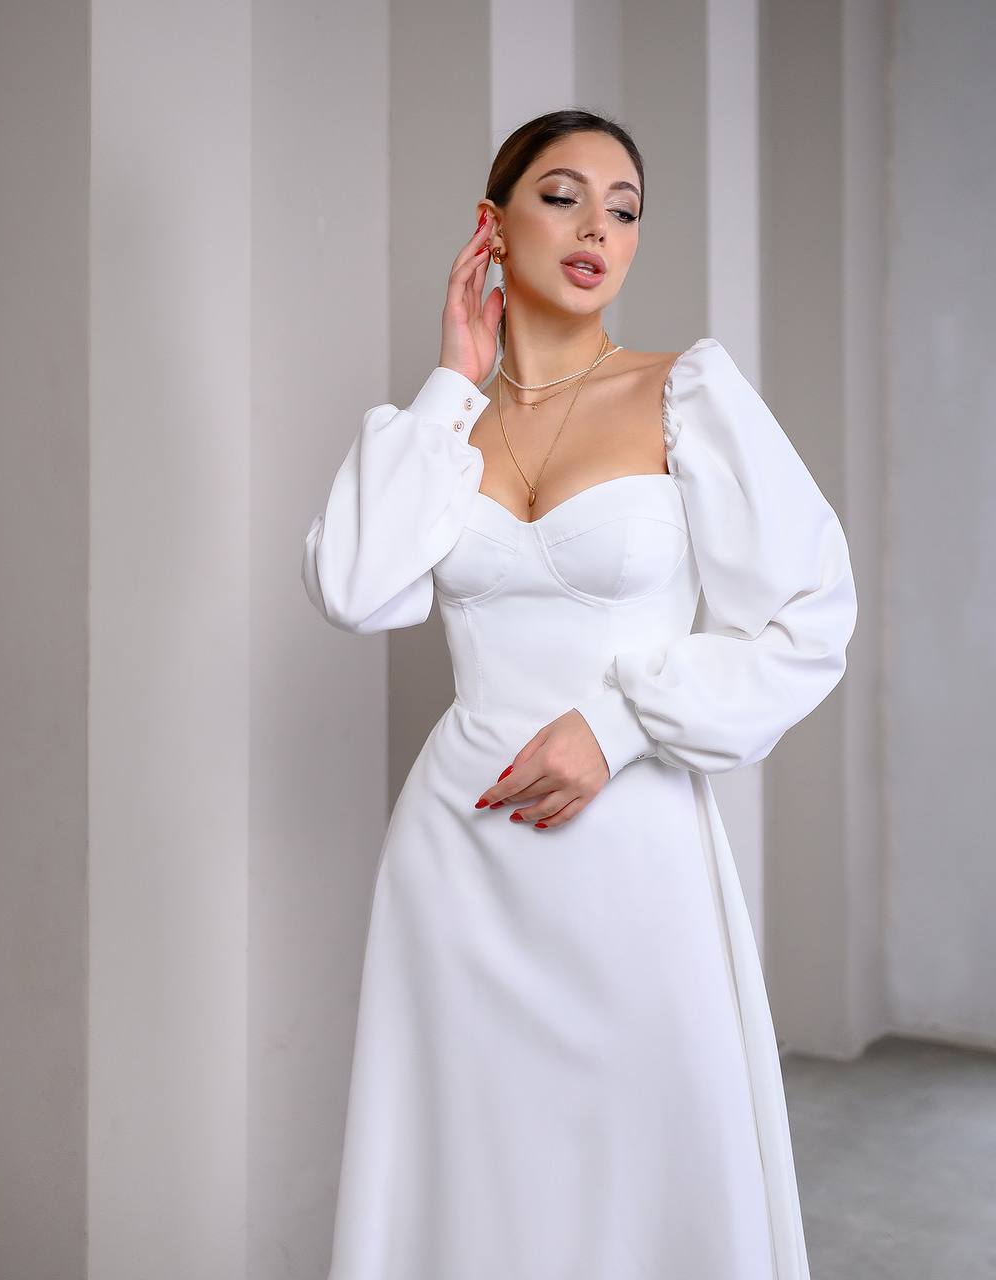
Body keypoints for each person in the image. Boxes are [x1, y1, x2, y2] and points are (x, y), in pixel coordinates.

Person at [302, 107, 856, 1280]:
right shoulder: (439, 432)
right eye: (561, 194)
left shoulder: (682, 391)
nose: (597, 225)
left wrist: (613, 726)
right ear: (490, 226)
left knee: (643, 1174)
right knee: (474, 1180)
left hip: (630, 856)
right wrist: (453, 381)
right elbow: (355, 589)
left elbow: (811, 615)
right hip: (457, 861)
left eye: (624, 206)